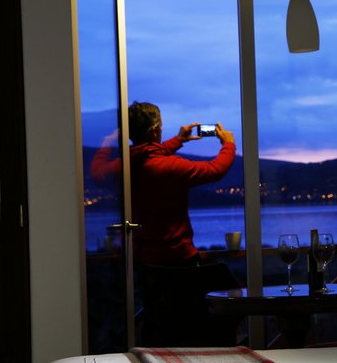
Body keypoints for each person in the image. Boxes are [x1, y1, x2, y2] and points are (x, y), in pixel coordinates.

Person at [91, 101, 236, 266]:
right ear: (155, 130)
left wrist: (106, 143)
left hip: (141, 262)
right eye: (160, 126)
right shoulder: (171, 167)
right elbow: (216, 169)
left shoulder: (122, 167)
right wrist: (228, 144)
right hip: (178, 259)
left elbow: (98, 170)